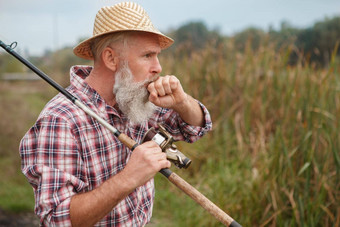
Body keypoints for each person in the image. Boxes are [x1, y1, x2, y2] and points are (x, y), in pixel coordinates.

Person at [19, 2, 212, 226]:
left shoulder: (134, 96)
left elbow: (195, 128)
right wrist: (129, 178)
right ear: (111, 59)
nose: (158, 67)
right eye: (148, 55)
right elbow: (57, 219)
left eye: (157, 55)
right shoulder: (60, 120)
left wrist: (182, 101)